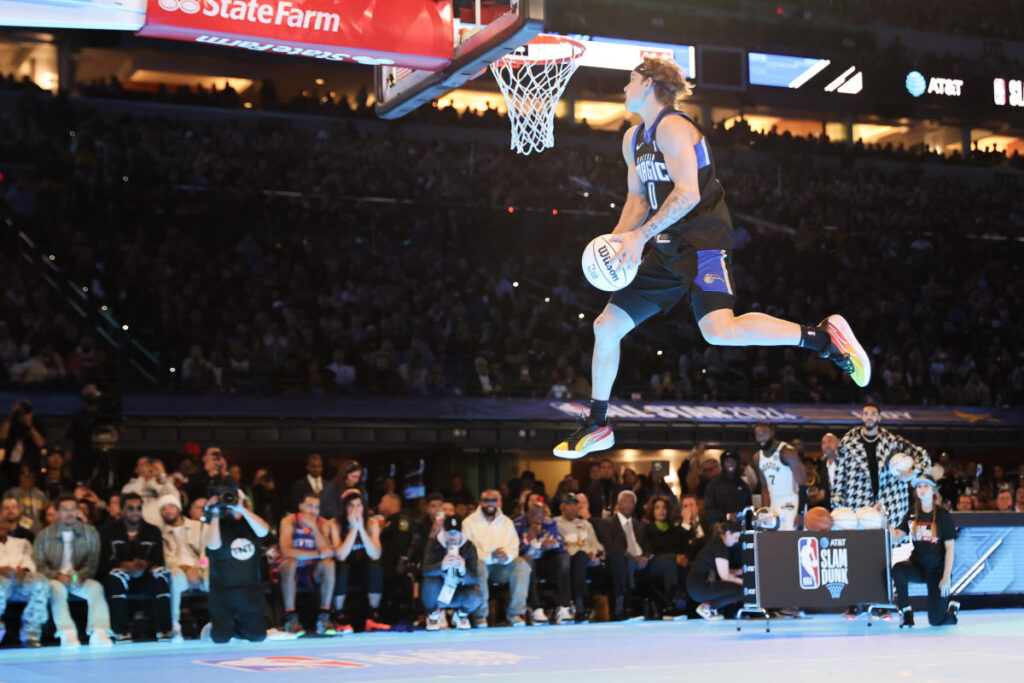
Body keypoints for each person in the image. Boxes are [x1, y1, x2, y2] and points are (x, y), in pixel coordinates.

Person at [552, 56, 870, 459]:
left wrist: (640, 236)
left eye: (631, 79)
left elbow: (688, 193)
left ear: (650, 84)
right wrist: (619, 245)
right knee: (606, 325)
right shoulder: (632, 138)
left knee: (719, 330)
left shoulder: (675, 127)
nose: (625, 86)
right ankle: (598, 424)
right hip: (665, 247)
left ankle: (826, 340)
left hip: (703, 242)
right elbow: (636, 200)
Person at [831, 403, 930, 530]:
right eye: (866, 413)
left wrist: (914, 471)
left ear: (879, 418)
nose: (869, 416)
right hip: (858, 503)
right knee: (862, 545)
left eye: (873, 414)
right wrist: (836, 503)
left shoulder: (892, 442)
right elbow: (839, 475)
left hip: (890, 501)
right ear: (862, 417)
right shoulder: (848, 443)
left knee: (888, 544)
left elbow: (923, 456)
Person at [33, 495, 113, 648]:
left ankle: (99, 630)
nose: (69, 512)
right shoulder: (43, 535)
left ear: (78, 511)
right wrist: (57, 575)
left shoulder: (90, 532)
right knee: (57, 590)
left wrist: (79, 576)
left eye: (73, 509)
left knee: (96, 588)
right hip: (54, 578)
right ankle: (67, 632)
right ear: (56, 513)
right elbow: (39, 565)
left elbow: (92, 562)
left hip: (78, 577)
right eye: (65, 509)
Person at [99, 492, 172, 642]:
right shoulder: (109, 531)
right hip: (121, 576)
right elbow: (102, 562)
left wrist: (145, 565)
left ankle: (164, 629)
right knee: (116, 575)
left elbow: (159, 560)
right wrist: (123, 564)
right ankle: (121, 630)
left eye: (138, 508)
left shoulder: (152, 531)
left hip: (146, 576)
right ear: (122, 509)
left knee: (161, 573)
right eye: (130, 508)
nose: (135, 511)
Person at [202, 490, 270, 643]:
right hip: (222, 592)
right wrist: (214, 512)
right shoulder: (216, 523)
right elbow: (212, 545)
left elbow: (264, 531)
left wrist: (242, 509)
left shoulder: (251, 523)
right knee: (220, 639)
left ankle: (237, 629)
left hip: (249, 591)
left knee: (258, 637)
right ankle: (215, 627)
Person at [892, 475, 959, 628]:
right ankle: (906, 612)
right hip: (917, 567)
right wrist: (883, 521)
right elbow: (896, 536)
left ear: (933, 490)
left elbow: (950, 548)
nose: (921, 489)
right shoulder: (912, 513)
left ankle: (953, 609)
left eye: (925, 486)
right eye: (919, 486)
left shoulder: (943, 515)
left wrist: (946, 576)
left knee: (936, 621)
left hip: (937, 571)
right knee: (898, 570)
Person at [462, 489, 530, 627]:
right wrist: (491, 556)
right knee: (479, 564)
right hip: (480, 565)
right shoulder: (469, 523)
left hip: (502, 566)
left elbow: (514, 546)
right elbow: (468, 551)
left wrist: (506, 556)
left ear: (499, 502)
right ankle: (480, 615)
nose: (490, 504)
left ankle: (515, 613)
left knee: (522, 565)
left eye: (494, 500)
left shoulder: (507, 522)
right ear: (480, 502)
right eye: (486, 500)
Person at [278, 493, 337, 636]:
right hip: (292, 569)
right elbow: (286, 551)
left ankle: (324, 617)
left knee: (329, 564)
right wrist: (317, 554)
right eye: (310, 506)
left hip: (312, 571)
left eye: (316, 507)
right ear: (301, 507)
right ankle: (291, 619)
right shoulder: (289, 521)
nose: (313, 510)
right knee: (290, 562)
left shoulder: (323, 523)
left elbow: (327, 552)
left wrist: (314, 529)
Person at [334, 488, 388, 633]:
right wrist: (353, 529)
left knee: (375, 565)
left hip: (363, 568)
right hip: (344, 569)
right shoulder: (336, 524)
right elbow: (341, 555)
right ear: (344, 507)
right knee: (342, 566)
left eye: (359, 505)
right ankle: (339, 616)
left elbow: (375, 554)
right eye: (351, 505)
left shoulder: (371, 523)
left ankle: (373, 615)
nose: (355, 509)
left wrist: (361, 529)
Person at [594, 490, 652, 620]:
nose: (628, 505)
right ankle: (624, 604)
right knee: (625, 560)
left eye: (631, 502)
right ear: (618, 504)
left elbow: (647, 546)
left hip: (641, 560)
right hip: (619, 560)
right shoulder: (608, 523)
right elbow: (611, 546)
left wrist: (646, 557)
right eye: (625, 501)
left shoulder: (640, 526)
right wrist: (633, 557)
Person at [515, 503, 573, 625]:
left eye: (542, 516)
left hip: (546, 563)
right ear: (526, 514)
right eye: (535, 515)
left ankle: (564, 606)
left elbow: (560, 544)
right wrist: (528, 540)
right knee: (527, 562)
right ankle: (536, 608)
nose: (538, 519)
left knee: (564, 559)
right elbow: (516, 550)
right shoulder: (517, 524)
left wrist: (553, 544)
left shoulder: (549, 523)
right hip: (528, 562)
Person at [159, 494, 206, 642]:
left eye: (171, 506)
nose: (168, 511)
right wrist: (186, 569)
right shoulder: (160, 533)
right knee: (174, 578)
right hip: (178, 569)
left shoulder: (198, 526)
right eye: (163, 508)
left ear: (178, 508)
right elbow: (167, 558)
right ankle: (174, 624)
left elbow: (206, 553)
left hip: (200, 568)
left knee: (216, 576)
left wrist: (200, 568)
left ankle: (224, 622)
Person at [422, 515, 482, 631]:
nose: (452, 536)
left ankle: (461, 614)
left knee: (477, 593)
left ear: (461, 532)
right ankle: (433, 614)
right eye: (449, 532)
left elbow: (475, 578)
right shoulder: (434, 544)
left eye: (456, 532)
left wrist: (463, 571)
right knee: (428, 582)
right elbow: (425, 571)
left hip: (459, 592)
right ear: (443, 531)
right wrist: (441, 566)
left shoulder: (469, 546)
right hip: (439, 592)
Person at [0, 513, 49, 646]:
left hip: (20, 582)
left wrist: (25, 570)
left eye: (4, 522)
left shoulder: (22, 543)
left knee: (41, 583)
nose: (1, 526)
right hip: (1, 584)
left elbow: (30, 561)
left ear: (9, 526)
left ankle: (31, 632)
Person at [554, 492, 603, 622]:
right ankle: (580, 605)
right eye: (569, 505)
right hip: (568, 559)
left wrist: (596, 553)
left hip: (588, 559)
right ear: (562, 507)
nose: (573, 508)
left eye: (575, 505)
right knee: (578, 558)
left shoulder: (585, 524)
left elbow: (596, 544)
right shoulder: (556, 523)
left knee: (582, 558)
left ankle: (579, 604)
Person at [686, 520, 745, 620]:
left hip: (697, 587)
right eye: (735, 537)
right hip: (700, 588)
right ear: (727, 534)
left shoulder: (717, 544)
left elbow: (723, 570)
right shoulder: (720, 548)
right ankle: (707, 607)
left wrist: (736, 572)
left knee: (739, 588)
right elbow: (724, 576)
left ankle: (708, 607)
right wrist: (744, 582)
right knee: (742, 591)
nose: (736, 541)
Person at [752, 422, 805, 530]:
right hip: (774, 502)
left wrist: (801, 512)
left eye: (764, 434)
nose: (761, 438)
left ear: (772, 433)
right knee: (773, 540)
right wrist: (765, 510)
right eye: (758, 435)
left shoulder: (787, 451)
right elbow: (765, 487)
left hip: (791, 501)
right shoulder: (757, 457)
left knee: (789, 538)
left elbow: (803, 483)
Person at [122, 456, 180, 528]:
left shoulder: (163, 486)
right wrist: (143, 478)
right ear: (136, 470)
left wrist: (162, 474)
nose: (148, 467)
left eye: (150, 465)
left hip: (160, 526)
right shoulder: (129, 487)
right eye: (143, 464)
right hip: (138, 527)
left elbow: (175, 498)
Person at [0, 400, 47, 484]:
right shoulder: (11, 423)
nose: (23, 415)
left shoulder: (37, 424)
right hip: (11, 467)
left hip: (31, 465)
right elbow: (2, 436)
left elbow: (41, 443)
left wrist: (29, 425)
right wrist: (12, 415)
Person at [703, 452, 751, 524]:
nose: (730, 464)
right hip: (720, 527)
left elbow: (749, 509)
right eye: (727, 461)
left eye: (733, 461)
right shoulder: (713, 485)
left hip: (740, 526)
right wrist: (727, 516)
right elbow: (709, 510)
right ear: (722, 464)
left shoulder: (744, 486)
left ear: (737, 463)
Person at [3, 466, 48, 534]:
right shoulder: (12, 493)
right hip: (17, 531)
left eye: (31, 474)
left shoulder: (41, 495)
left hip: (39, 531)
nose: (29, 477)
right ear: (20, 476)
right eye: (26, 474)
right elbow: (5, 513)